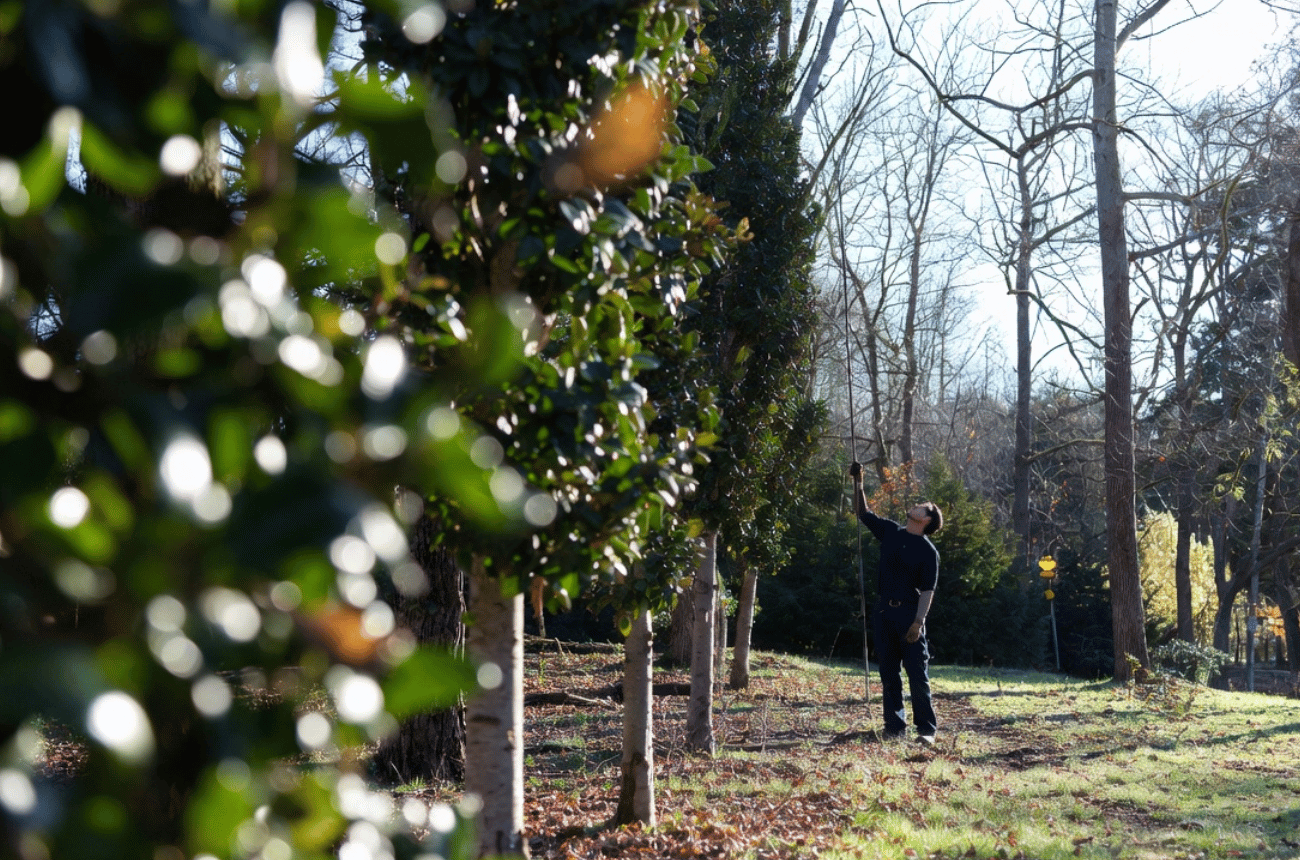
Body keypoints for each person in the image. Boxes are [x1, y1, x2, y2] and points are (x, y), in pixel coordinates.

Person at [849, 461, 943, 745]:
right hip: (883, 613)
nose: (915, 506)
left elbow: (928, 591)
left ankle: (926, 731)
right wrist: (859, 482)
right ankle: (894, 729)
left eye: (921, 507)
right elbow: (863, 513)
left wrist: (918, 622)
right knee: (889, 673)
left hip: (909, 615)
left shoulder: (928, 552)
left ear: (926, 519)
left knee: (917, 675)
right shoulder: (891, 532)